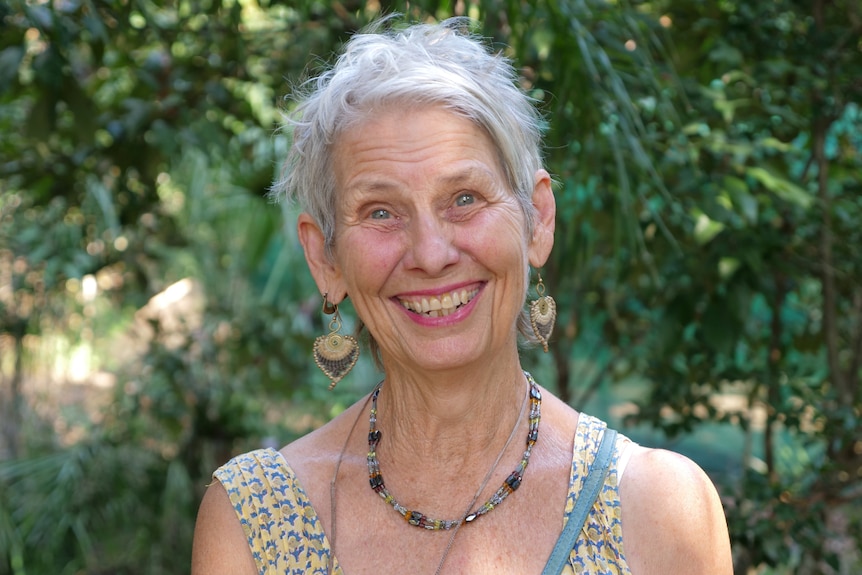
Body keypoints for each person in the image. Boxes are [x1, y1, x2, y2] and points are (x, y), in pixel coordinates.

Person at [191, 17, 733, 575]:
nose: (431, 252)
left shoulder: (658, 510)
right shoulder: (253, 520)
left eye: (465, 198)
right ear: (325, 259)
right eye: (380, 212)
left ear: (537, 219)